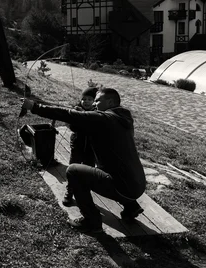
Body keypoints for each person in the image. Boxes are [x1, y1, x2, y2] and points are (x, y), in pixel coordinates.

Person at [21, 88, 146, 232]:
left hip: (122, 186)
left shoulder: (105, 118)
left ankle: (91, 221)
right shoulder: (122, 118)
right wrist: (77, 122)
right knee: (112, 173)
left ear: (110, 102)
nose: (95, 104)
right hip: (138, 183)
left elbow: (68, 114)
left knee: (74, 170)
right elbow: (90, 129)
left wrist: (34, 106)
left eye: (98, 100)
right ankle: (131, 207)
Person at [62, 86, 98, 207]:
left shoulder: (97, 113)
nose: (86, 101)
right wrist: (75, 117)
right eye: (84, 99)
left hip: (91, 149)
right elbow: (71, 126)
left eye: (89, 99)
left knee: (89, 171)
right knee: (72, 169)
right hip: (77, 146)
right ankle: (69, 192)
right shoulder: (76, 111)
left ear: (94, 101)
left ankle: (85, 193)